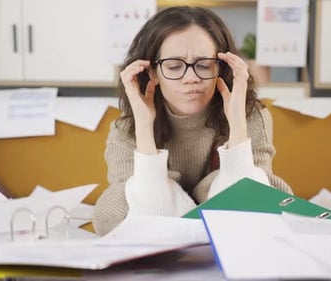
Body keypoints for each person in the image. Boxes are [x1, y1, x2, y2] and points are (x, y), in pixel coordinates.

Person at [92, 6, 293, 235]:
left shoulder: (250, 116)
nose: (191, 78)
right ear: (152, 73)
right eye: (174, 66)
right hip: (169, 238)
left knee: (256, 183)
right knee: (123, 199)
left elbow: (249, 203)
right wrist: (145, 127)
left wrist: (236, 121)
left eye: (204, 65)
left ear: (221, 67)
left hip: (228, 236)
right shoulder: (125, 129)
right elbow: (138, 216)